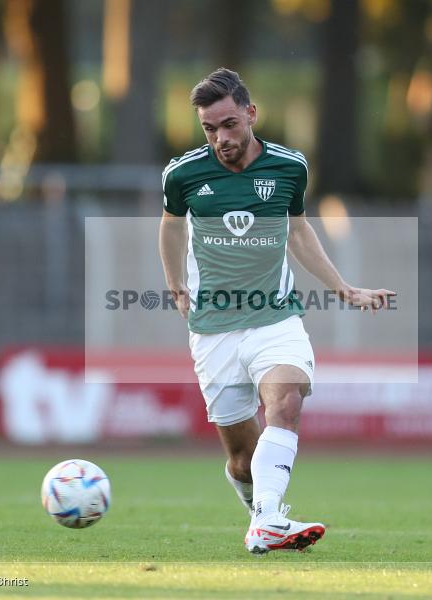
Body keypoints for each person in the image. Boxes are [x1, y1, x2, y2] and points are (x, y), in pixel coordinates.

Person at [158, 68, 394, 554]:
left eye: (228, 124)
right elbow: (170, 227)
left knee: (286, 399)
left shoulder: (290, 168)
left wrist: (343, 288)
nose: (220, 138)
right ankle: (261, 512)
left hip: (275, 316)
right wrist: (175, 285)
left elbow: (300, 232)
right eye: (209, 128)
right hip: (213, 328)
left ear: (251, 113)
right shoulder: (182, 175)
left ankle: (267, 522)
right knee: (243, 460)